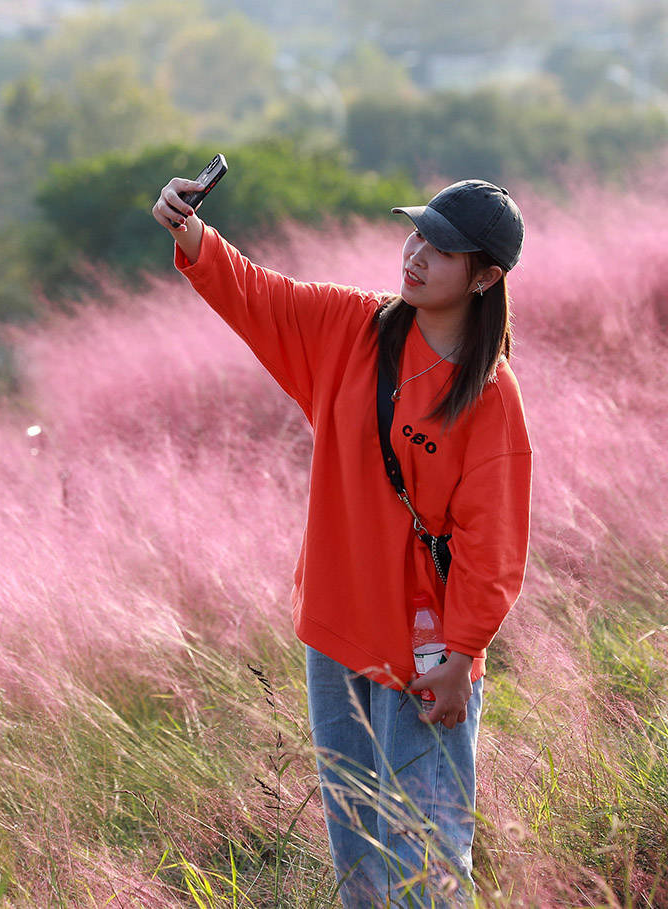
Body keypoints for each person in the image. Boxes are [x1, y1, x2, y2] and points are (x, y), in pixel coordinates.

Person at [152, 177, 531, 907]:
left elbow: (495, 541)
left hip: (425, 650)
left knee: (428, 859)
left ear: (485, 278)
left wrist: (462, 657)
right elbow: (259, 296)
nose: (416, 254)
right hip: (333, 630)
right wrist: (188, 230)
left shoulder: (490, 394)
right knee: (357, 851)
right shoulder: (355, 327)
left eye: (442, 249)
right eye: (416, 233)